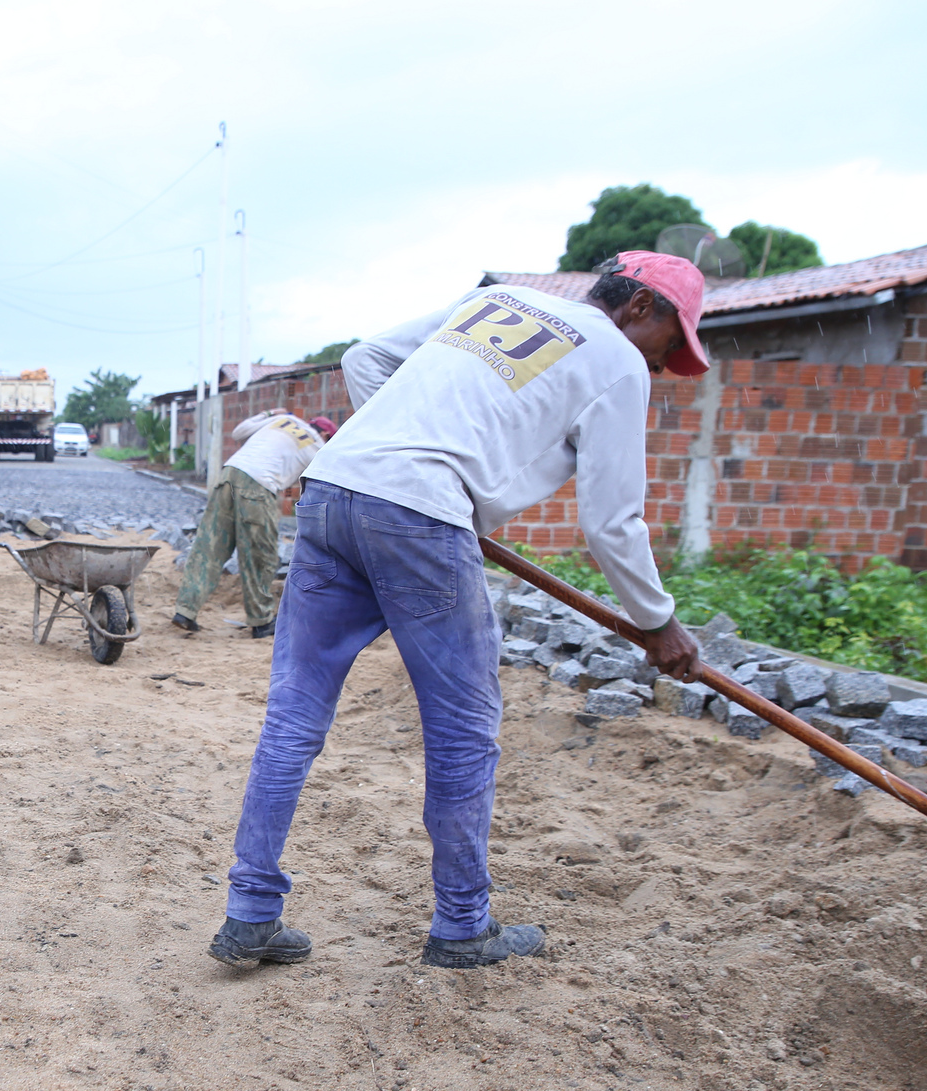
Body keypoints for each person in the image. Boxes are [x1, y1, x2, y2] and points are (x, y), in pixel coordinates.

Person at [209, 252, 707, 972]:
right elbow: (613, 521)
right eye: (671, 343)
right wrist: (658, 622)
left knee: (292, 715)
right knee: (464, 732)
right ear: (640, 308)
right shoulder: (617, 361)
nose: (663, 365)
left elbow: (362, 357)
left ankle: (250, 913)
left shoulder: (497, 303)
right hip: (420, 518)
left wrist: (395, 455)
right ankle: (462, 924)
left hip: (331, 489)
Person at [172, 410, 337, 638]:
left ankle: (185, 610)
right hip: (258, 485)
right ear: (327, 435)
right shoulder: (318, 446)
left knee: (209, 546)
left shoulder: (282, 419)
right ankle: (261, 621)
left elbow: (238, 432)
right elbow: (325, 485)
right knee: (260, 555)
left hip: (230, 472)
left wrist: (268, 413)